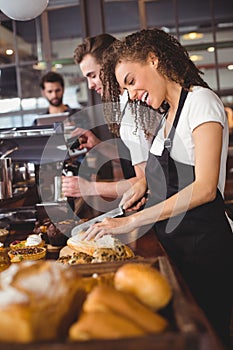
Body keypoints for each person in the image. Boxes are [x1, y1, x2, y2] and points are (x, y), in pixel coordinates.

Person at [82, 28, 233, 346]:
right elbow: (160, 178)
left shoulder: (201, 103)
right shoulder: (165, 116)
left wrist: (134, 220)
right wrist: (141, 186)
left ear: (154, 60)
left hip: (205, 247)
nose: (132, 94)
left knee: (209, 334)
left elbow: (205, 187)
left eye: (131, 81)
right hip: (176, 245)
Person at [62, 34, 153, 200]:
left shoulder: (134, 109)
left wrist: (88, 188)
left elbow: (146, 181)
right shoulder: (123, 105)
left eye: (93, 75)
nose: (90, 85)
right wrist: (98, 146)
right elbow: (134, 159)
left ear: (109, 65)